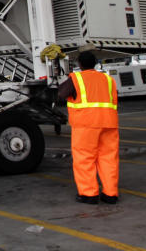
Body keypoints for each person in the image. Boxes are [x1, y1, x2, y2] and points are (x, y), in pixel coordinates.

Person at [57, 51, 120, 205]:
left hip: (86, 125)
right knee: (109, 158)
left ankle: (89, 194)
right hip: (109, 124)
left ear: (79, 64)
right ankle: (110, 194)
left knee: (84, 158)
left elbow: (61, 94)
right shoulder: (108, 79)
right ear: (95, 63)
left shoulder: (76, 78)